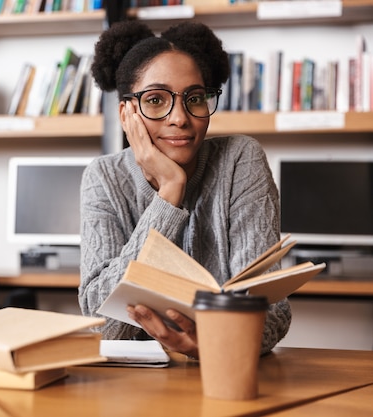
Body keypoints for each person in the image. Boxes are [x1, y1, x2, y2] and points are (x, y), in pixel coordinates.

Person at [78, 20, 291, 359]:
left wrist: (215, 345)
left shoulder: (240, 159)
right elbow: (102, 324)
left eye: (195, 98)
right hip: (132, 385)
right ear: (127, 112)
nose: (180, 117)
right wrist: (169, 192)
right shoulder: (104, 176)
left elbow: (271, 308)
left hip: (227, 367)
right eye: (156, 100)